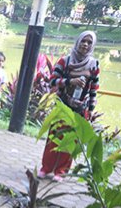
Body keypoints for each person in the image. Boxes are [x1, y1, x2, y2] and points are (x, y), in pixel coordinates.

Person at [38, 31, 100, 181]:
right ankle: (46, 168)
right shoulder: (65, 61)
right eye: (83, 41)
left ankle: (61, 171)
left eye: (89, 42)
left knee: (71, 140)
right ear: (78, 42)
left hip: (79, 109)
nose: (85, 44)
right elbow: (52, 81)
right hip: (62, 105)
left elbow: (94, 89)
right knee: (54, 137)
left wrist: (91, 109)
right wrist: (69, 82)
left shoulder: (93, 65)